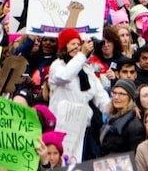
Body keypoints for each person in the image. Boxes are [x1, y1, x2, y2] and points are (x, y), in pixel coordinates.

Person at [47, 28, 110, 161]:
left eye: (78, 44)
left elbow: (100, 96)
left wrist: (119, 108)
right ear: (64, 47)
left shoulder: (87, 70)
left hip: (82, 129)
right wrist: (82, 55)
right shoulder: (57, 66)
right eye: (72, 44)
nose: (77, 47)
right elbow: (65, 76)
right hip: (61, 128)